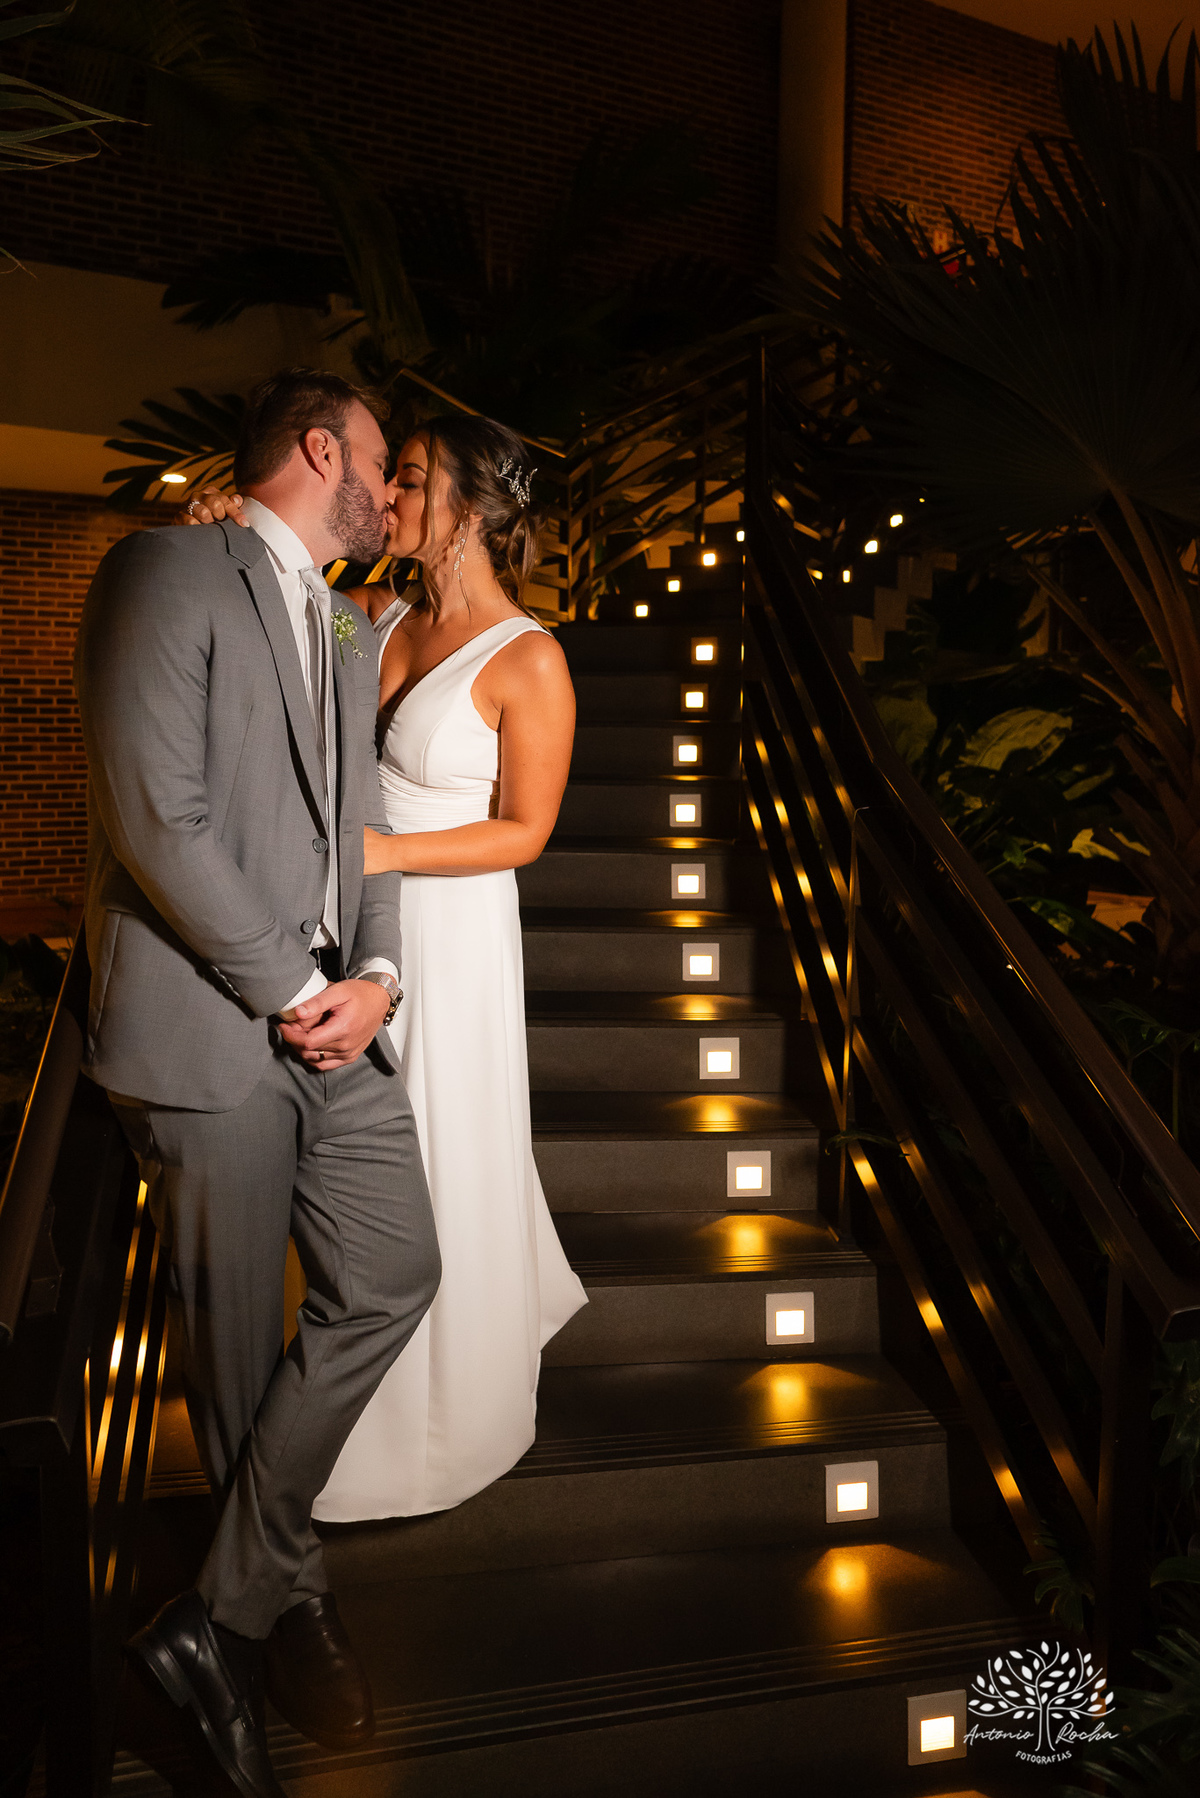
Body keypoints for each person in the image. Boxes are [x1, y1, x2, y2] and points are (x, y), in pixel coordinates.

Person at [75, 368, 441, 1797]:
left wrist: (382, 979)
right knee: (230, 1359)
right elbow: (154, 813)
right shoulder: (163, 569)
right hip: (206, 1032)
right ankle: (280, 1609)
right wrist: (292, 991)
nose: (394, 494)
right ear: (318, 448)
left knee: (397, 1270)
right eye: (380, 467)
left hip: (334, 1022)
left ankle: (207, 1624)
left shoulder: (349, 627)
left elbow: (363, 833)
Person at [180, 412, 586, 1525]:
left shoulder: (531, 657)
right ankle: (333, 1404)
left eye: (409, 478)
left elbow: (526, 830)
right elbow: (286, 621)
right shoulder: (382, 612)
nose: (388, 496)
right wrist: (233, 526)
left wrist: (381, 849)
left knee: (438, 1136)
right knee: (352, 1156)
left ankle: (446, 1418)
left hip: (453, 933)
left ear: (470, 505)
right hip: (367, 925)